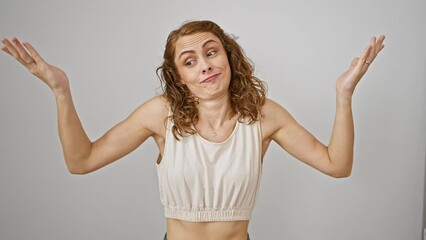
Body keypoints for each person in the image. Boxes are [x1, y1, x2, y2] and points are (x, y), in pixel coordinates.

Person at [1, 20, 385, 240]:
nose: (204, 65)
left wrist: (344, 94)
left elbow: (337, 164)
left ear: (228, 58)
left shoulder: (263, 115)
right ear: (179, 77)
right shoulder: (161, 114)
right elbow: (81, 161)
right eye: (190, 61)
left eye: (211, 51)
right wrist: (61, 90)